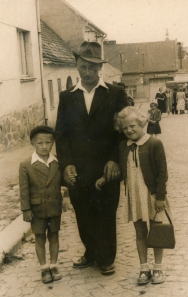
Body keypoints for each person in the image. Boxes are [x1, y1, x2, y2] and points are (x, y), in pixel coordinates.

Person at [55, 41, 127, 275]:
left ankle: (106, 257)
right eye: (83, 67)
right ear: (77, 66)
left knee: (106, 213)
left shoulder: (115, 93)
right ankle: (90, 251)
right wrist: (66, 164)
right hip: (78, 169)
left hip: (108, 168)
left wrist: (115, 159)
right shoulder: (67, 97)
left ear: (100, 69)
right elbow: (62, 134)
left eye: (92, 68)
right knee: (83, 213)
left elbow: (124, 132)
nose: (87, 72)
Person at [115, 107, 171, 285]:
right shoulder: (123, 147)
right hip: (135, 196)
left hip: (153, 196)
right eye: (125, 128)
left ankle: (158, 268)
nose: (129, 130)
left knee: (157, 231)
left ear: (142, 124)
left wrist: (161, 197)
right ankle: (144, 268)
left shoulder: (154, 144)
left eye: (132, 126)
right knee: (140, 231)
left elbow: (162, 173)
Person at [19, 126, 63, 283]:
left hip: (54, 206)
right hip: (37, 209)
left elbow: (63, 180)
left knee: (54, 235)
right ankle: (44, 268)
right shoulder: (26, 165)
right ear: (32, 143)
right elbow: (24, 190)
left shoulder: (57, 161)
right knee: (39, 237)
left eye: (48, 142)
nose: (44, 146)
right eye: (40, 143)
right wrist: (26, 209)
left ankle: (54, 265)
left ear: (53, 143)